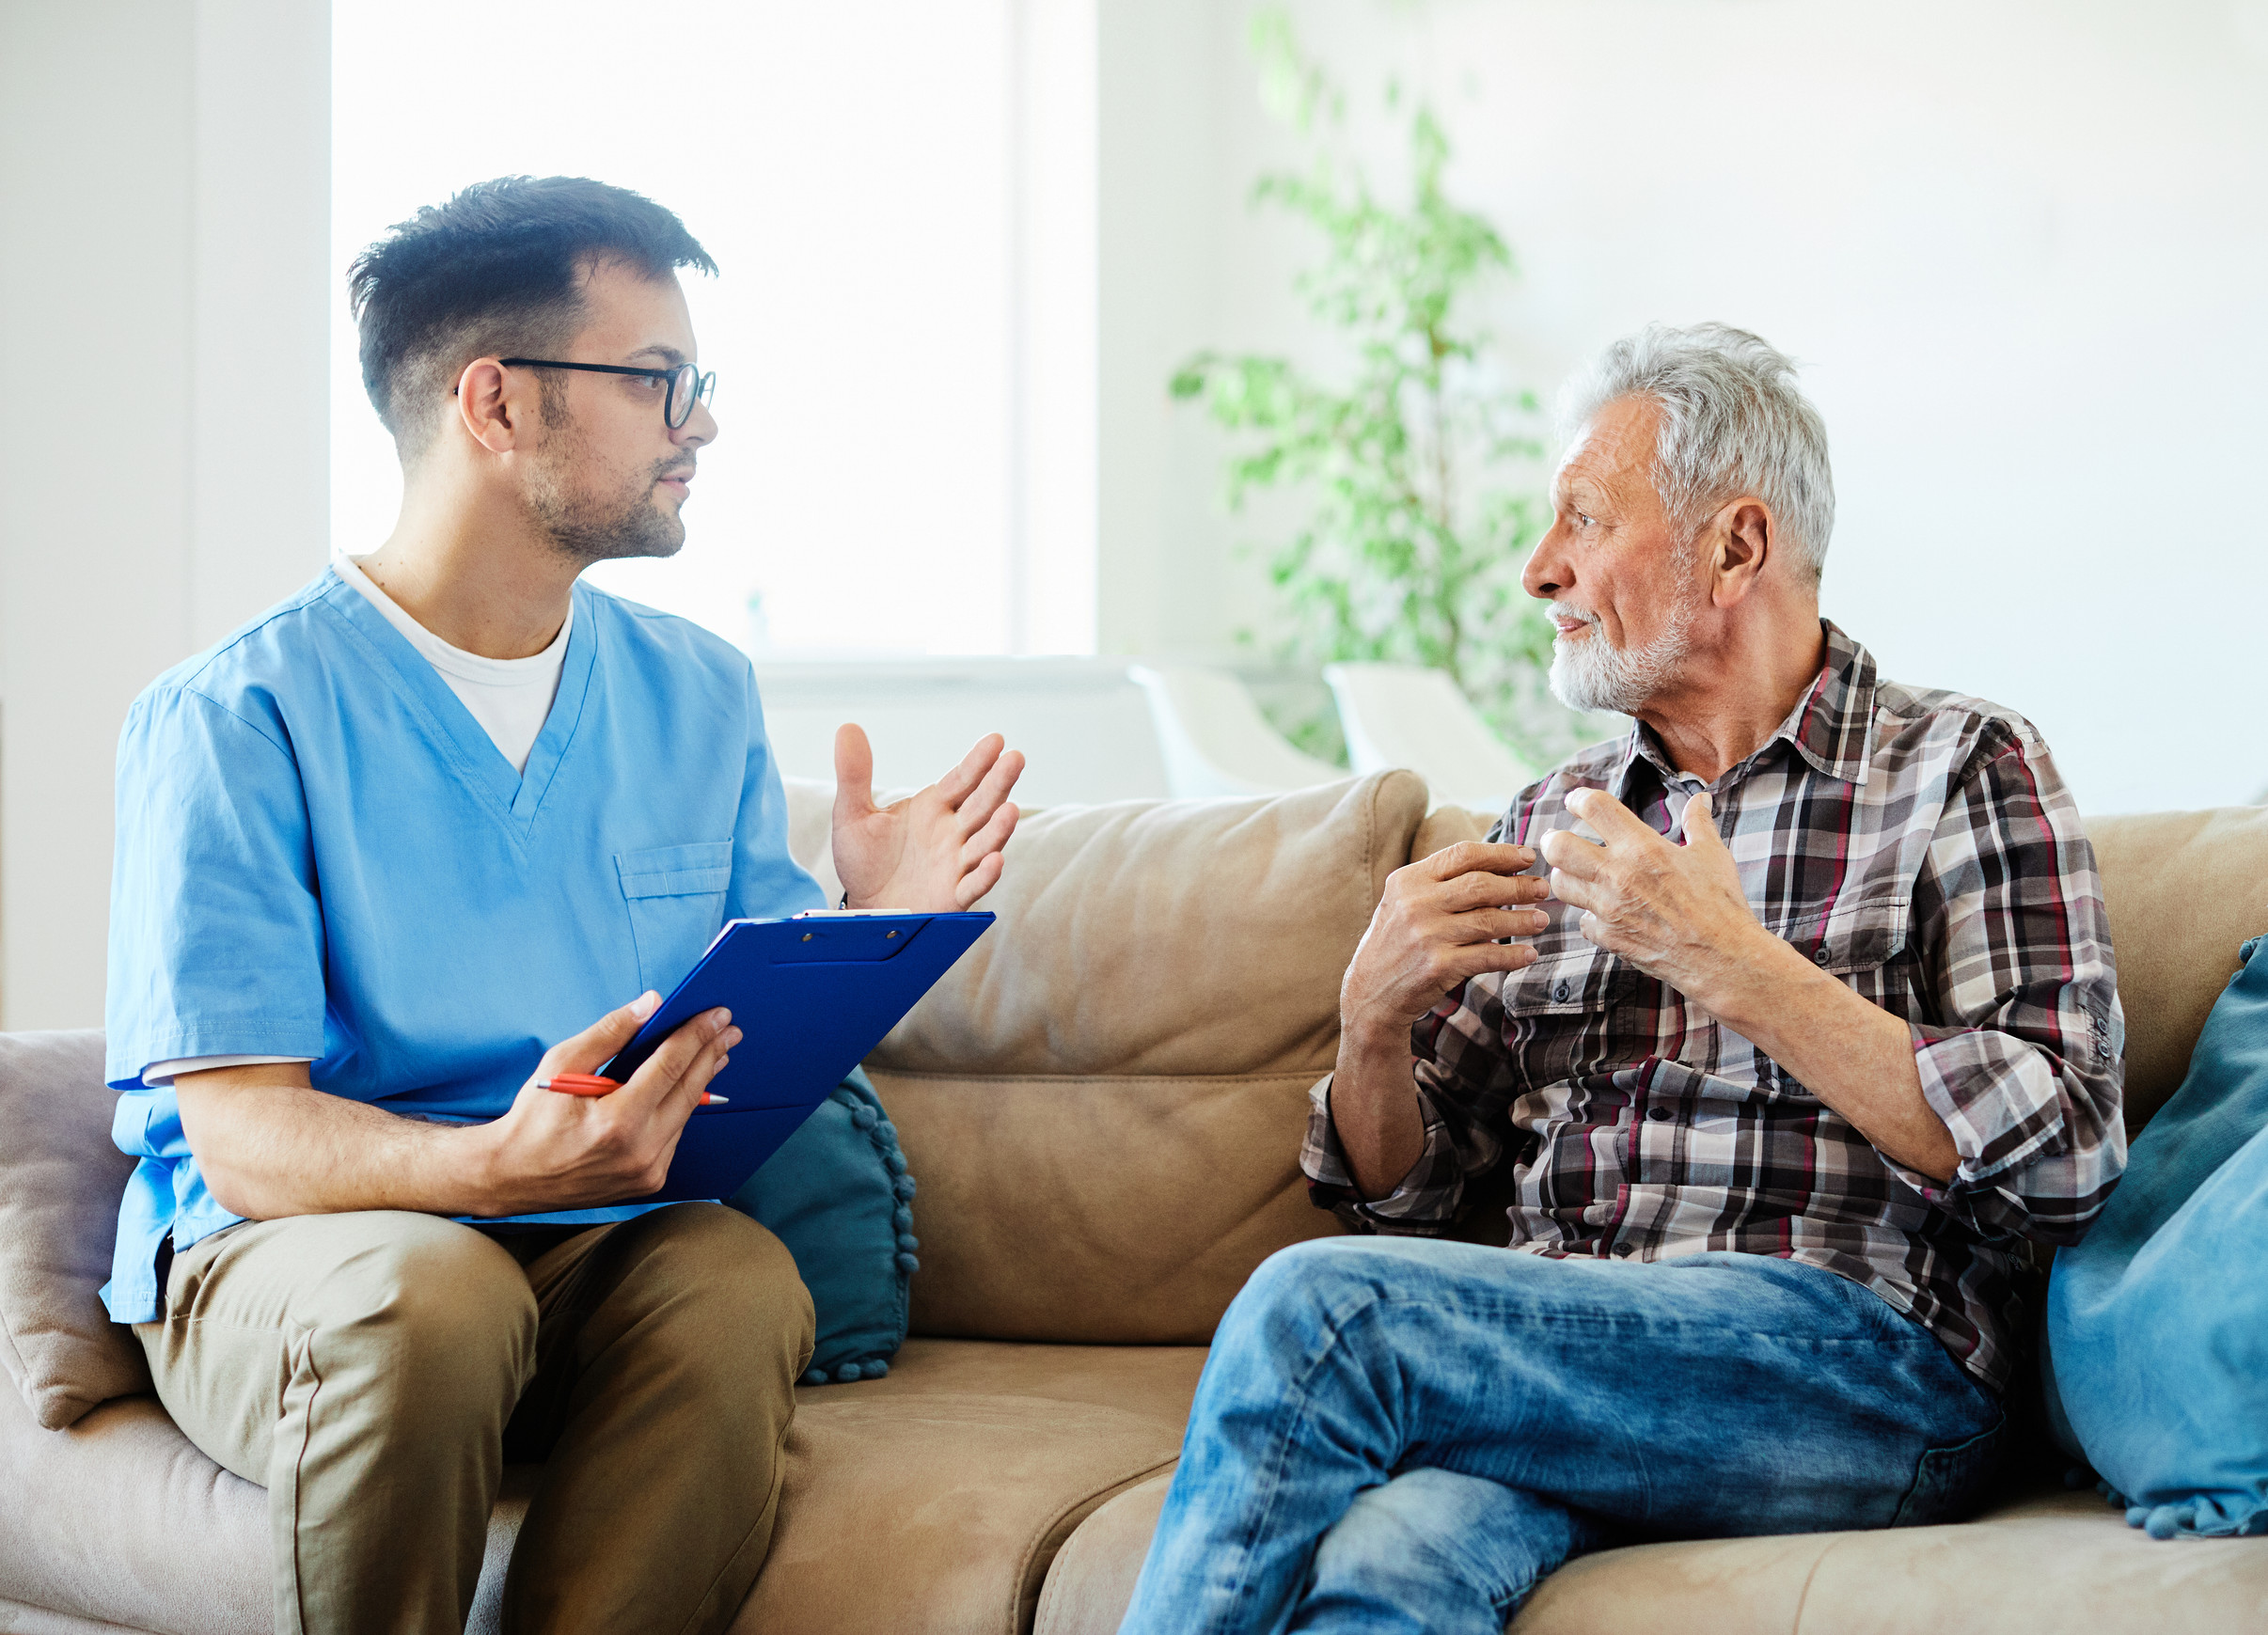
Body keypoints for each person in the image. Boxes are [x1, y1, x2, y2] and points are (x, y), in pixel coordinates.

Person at [100, 176, 1023, 1635]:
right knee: (438, 1302)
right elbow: (246, 1134)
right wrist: (489, 1174)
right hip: (290, 1248)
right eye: (660, 382)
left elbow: (745, 1033)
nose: (700, 424)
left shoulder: (696, 691)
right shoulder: (236, 716)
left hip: (589, 1234)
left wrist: (862, 922)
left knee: (732, 1277)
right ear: (497, 404)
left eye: (696, 384)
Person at [1118, 322, 2126, 1634]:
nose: (1541, 571)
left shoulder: (1960, 768)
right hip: (1583, 1355)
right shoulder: (1556, 815)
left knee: (1327, 1315)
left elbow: (2073, 1153)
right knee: (1389, 1558)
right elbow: (1411, 1199)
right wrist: (1370, 1025)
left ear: (1737, 547)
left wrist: (1734, 963)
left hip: (1858, 1365)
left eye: (1584, 521)